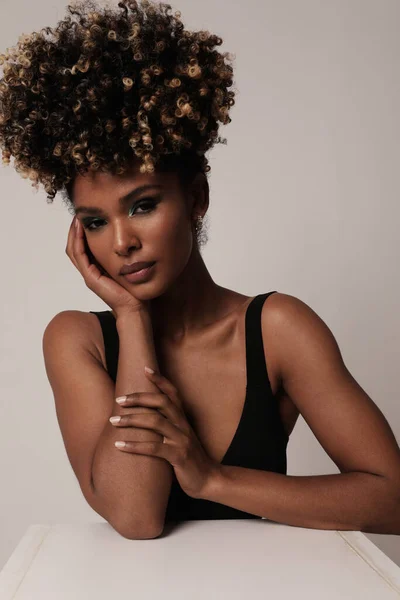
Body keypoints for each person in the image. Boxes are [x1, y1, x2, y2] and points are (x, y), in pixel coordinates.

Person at [2, 0, 400, 541]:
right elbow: (136, 517)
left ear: (196, 199)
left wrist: (213, 479)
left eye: (142, 205)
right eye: (95, 220)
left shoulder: (277, 330)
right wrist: (131, 318)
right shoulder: (77, 340)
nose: (122, 243)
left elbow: (392, 500)